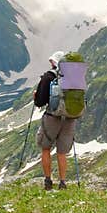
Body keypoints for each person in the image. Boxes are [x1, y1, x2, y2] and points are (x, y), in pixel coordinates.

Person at [33, 50, 76, 190]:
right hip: (69, 119)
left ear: (55, 62)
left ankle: (48, 181)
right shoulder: (73, 77)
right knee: (62, 152)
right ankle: (63, 182)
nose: (50, 64)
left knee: (46, 148)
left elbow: (40, 101)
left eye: (51, 61)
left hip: (52, 117)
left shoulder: (48, 76)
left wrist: (35, 96)